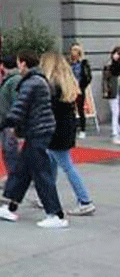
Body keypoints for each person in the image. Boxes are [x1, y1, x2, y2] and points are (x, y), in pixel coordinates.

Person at [0, 49, 68, 229]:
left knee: (41, 174)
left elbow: (17, 110)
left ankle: (55, 214)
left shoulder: (31, 83)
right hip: (39, 131)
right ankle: (10, 207)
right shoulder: (37, 80)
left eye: (19, 62)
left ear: (23, 63)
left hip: (38, 132)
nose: (18, 66)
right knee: (22, 171)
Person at [41, 52, 96, 216]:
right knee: (52, 164)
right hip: (66, 127)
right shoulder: (67, 82)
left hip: (56, 130)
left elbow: (49, 110)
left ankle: (85, 200)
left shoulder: (51, 84)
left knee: (66, 166)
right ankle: (47, 196)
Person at [0, 55, 22, 181]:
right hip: (6, 120)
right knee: (7, 149)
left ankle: (15, 176)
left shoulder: (14, 80)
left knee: (10, 150)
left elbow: (16, 102)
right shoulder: (8, 79)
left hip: (10, 121)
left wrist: (14, 122)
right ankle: (13, 174)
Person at [69, 44, 91, 139]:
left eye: (75, 51)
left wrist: (82, 86)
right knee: (70, 109)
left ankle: (82, 130)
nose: (73, 53)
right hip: (70, 88)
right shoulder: (69, 63)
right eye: (73, 50)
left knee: (80, 109)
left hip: (79, 88)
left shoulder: (83, 64)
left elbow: (88, 76)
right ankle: (72, 129)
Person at [101, 46, 120, 144]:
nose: (116, 56)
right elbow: (105, 80)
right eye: (115, 53)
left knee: (118, 112)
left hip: (118, 90)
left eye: (118, 54)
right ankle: (114, 133)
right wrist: (105, 91)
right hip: (112, 91)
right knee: (115, 112)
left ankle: (117, 131)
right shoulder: (109, 66)